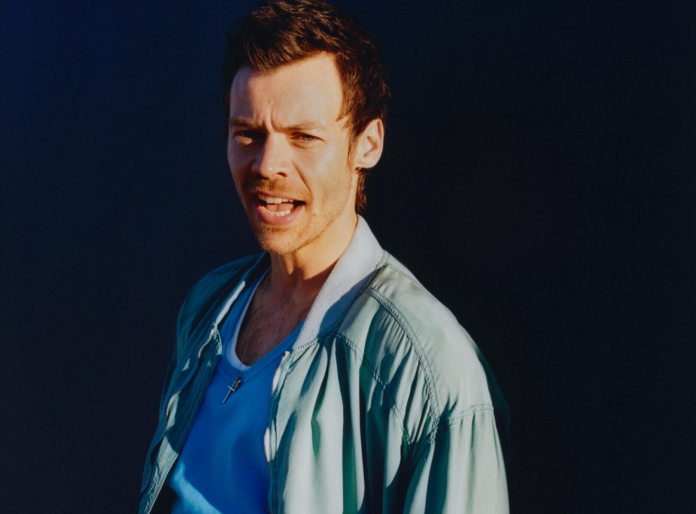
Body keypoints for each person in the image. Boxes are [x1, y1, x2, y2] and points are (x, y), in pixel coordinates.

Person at [138, 0, 510, 512]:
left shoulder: (427, 365)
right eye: (248, 134)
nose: (267, 164)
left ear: (367, 144)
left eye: (304, 138)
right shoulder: (208, 308)